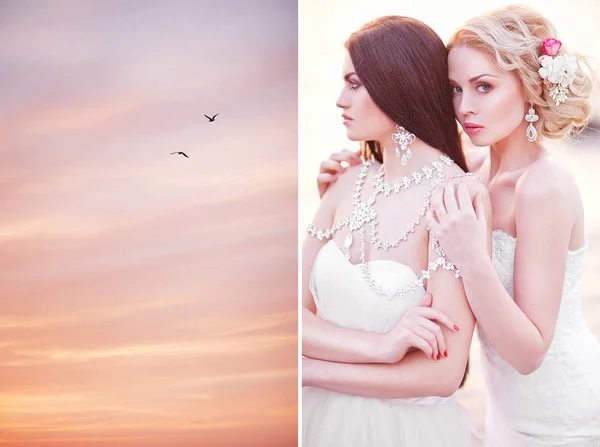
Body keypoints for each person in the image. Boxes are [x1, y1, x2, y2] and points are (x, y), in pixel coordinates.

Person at [314, 5, 600, 446]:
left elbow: (529, 353)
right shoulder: (474, 170)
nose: (464, 107)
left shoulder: (544, 188)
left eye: (483, 87)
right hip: (505, 411)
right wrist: (339, 204)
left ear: (530, 87)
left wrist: (472, 258)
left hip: (562, 414)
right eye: (453, 89)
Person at [302, 14, 491, 447]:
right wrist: (380, 348)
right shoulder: (344, 183)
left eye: (354, 82)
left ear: (396, 83)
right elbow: (291, 318)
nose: (339, 99)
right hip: (316, 421)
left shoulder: (455, 200)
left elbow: (442, 374)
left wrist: (310, 370)